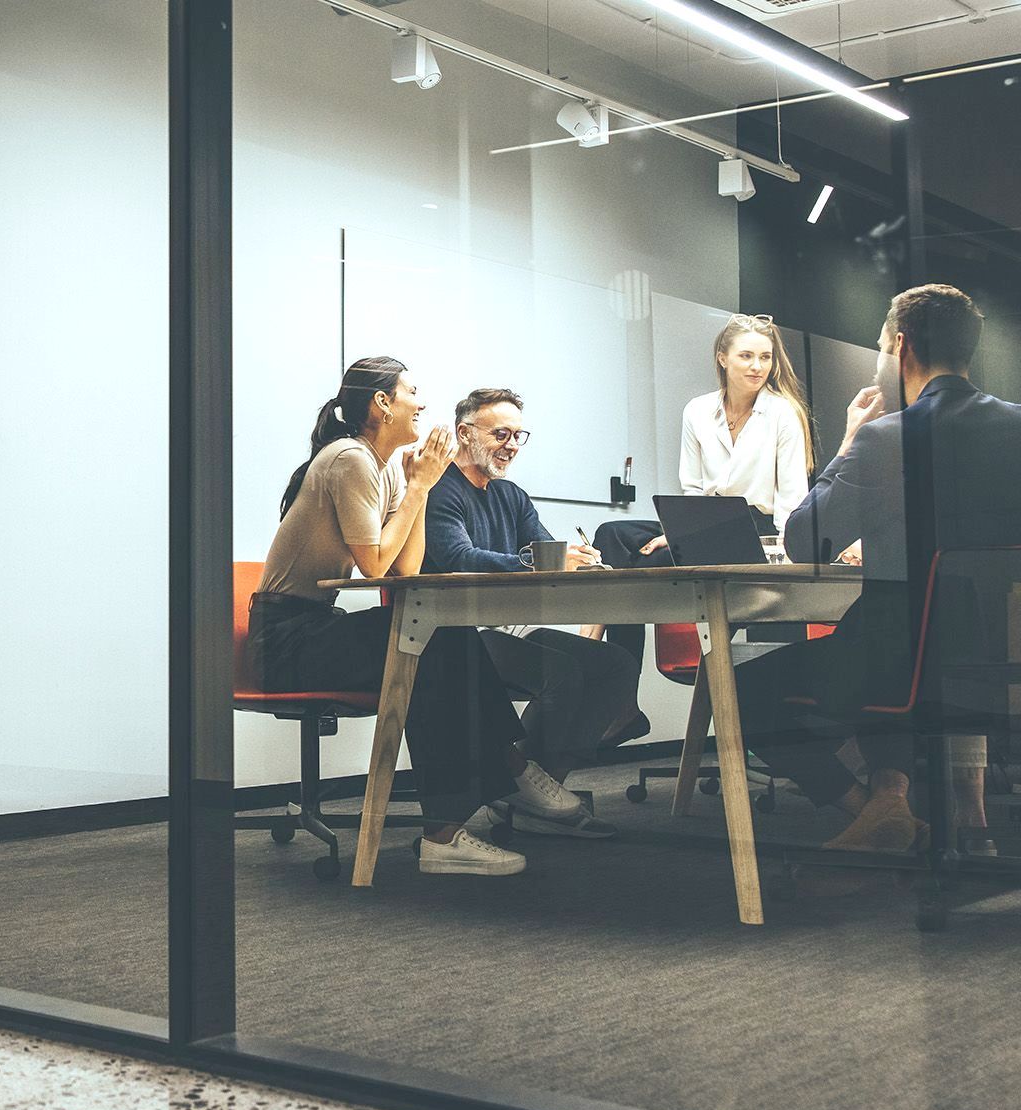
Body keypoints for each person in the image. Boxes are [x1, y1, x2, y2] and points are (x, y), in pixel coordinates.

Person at [734, 285, 1021, 854]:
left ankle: (877, 816)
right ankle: (890, 802)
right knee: (877, 634)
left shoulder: (891, 438)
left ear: (901, 347)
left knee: (741, 690)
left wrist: (848, 442)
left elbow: (805, 543)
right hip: (1019, 657)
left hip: (915, 665)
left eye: (882, 346)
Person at [248, 357, 598, 877]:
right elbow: (373, 567)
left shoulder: (384, 467)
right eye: (413, 391)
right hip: (286, 641)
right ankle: (477, 802)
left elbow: (402, 568)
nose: (423, 402)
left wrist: (422, 486)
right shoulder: (349, 459)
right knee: (430, 641)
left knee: (435, 636)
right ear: (382, 403)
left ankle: (474, 802)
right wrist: (419, 489)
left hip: (313, 628)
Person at [421, 387, 640, 838]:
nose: (512, 445)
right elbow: (459, 558)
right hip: (451, 636)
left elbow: (544, 551)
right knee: (561, 672)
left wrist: (575, 558)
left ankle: (536, 788)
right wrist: (542, 560)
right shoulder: (439, 490)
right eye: (501, 433)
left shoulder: (511, 496)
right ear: (465, 433)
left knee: (613, 663)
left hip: (502, 631)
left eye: (519, 436)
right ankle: (523, 788)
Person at [591, 313, 816, 669]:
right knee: (612, 535)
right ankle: (616, 676)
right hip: (703, 524)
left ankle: (598, 649)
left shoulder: (782, 413)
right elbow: (692, 488)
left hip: (756, 531)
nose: (758, 366)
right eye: (746, 356)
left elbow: (792, 497)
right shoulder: (697, 410)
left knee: (633, 570)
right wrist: (677, 532)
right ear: (722, 358)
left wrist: (788, 557)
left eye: (765, 357)